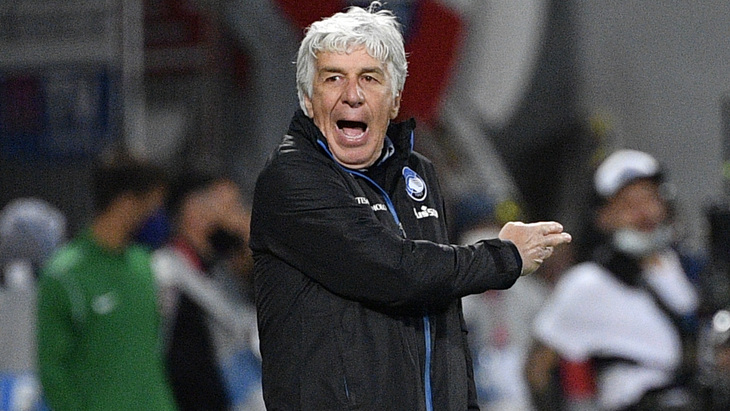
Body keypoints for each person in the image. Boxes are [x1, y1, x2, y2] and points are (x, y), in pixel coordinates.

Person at [248, 3, 572, 409]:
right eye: (333, 78)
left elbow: (443, 315)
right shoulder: (291, 179)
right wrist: (504, 257)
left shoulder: (416, 175)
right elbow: (392, 272)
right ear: (309, 100)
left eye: (370, 78)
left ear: (395, 98)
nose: (352, 95)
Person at [527, 149, 702, 411]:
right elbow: (537, 369)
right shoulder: (586, 283)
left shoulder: (687, 268)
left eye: (650, 199)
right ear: (603, 217)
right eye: (628, 205)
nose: (644, 213)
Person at [36, 155, 177, 410]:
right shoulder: (64, 276)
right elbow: (52, 370)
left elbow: (149, 359)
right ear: (126, 203)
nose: (156, 216)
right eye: (152, 206)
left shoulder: (144, 266)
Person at [152, 170, 263, 411]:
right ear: (194, 212)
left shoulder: (218, 271)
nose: (239, 218)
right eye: (229, 207)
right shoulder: (167, 275)